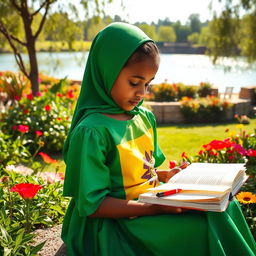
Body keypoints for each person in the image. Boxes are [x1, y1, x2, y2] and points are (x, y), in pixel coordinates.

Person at [61, 22, 256, 256]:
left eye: (147, 84)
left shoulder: (143, 117)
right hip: (114, 224)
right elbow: (92, 205)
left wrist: (166, 175)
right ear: (106, 70)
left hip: (148, 204)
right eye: (134, 82)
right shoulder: (92, 131)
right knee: (200, 227)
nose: (142, 93)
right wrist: (154, 208)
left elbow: (139, 173)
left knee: (225, 208)